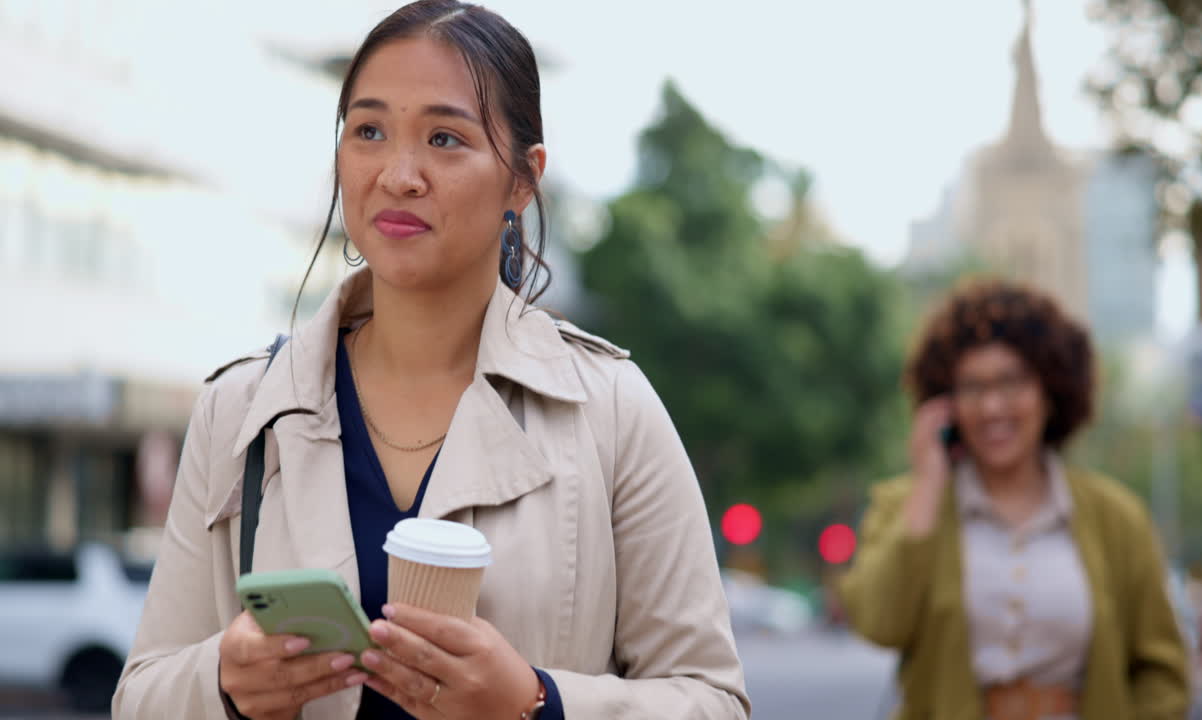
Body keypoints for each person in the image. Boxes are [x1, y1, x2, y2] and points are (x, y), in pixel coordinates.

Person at [113, 2, 749, 718]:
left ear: (523, 179)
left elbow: (713, 700)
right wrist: (223, 685)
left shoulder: (609, 409)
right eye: (369, 131)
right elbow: (140, 696)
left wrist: (538, 704)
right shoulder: (241, 409)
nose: (399, 173)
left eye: (445, 138)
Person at [839, 280, 1188, 720]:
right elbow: (878, 623)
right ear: (946, 403)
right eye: (972, 387)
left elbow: (1163, 672)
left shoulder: (1116, 517)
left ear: (1050, 391)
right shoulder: (906, 505)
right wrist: (928, 482)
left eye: (1012, 382)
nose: (992, 407)